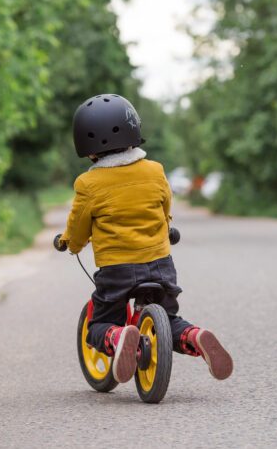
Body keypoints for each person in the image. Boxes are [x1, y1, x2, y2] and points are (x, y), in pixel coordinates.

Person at [58, 94, 233, 384]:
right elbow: (164, 208)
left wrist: (70, 243)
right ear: (133, 131)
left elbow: (77, 228)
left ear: (87, 147)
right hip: (160, 264)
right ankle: (195, 336)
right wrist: (167, 229)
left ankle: (117, 335)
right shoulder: (155, 171)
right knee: (170, 319)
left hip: (117, 270)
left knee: (99, 323)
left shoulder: (88, 184)